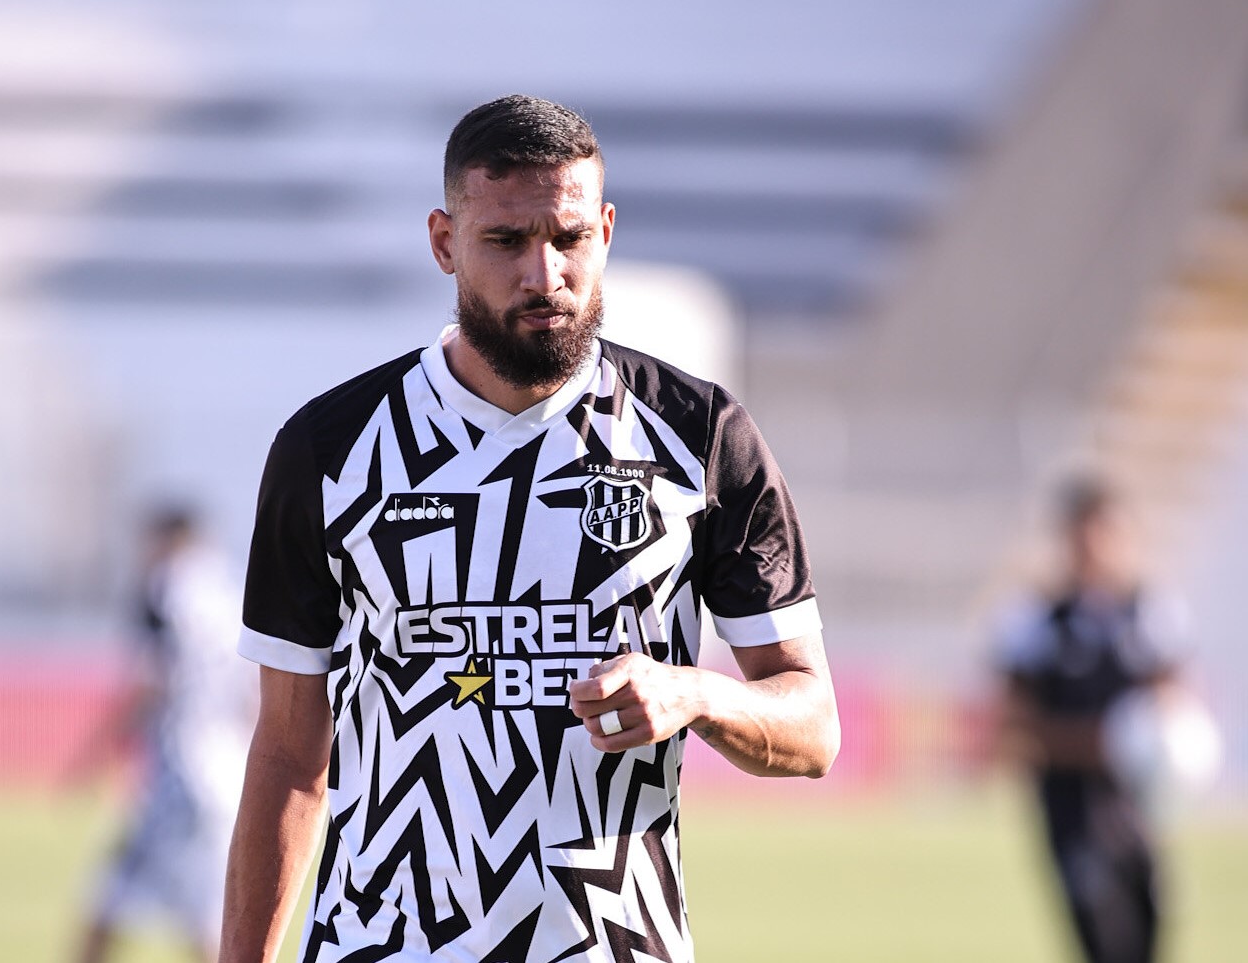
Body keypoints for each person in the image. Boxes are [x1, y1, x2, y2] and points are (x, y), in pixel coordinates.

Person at [222, 94, 841, 963]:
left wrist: (693, 693)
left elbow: (812, 724)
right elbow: (289, 751)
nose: (543, 274)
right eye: (505, 241)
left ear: (608, 230)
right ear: (444, 241)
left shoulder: (700, 437)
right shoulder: (332, 449)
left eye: (569, 238)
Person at [992, 475, 1194, 963]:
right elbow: (1014, 727)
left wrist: (1165, 740)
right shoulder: (1036, 622)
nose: (1096, 549)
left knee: (1147, 938)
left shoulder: (1151, 614)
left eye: (1108, 534)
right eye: (1084, 535)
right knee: (1102, 941)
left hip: (1138, 808)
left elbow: (1175, 703)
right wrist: (1099, 742)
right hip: (1072, 810)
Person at [75, 508, 256, 963]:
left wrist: (94, 753)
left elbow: (150, 683)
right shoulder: (234, 590)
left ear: (168, 541)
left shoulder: (165, 588)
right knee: (203, 914)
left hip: (179, 776)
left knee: (106, 906)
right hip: (225, 770)